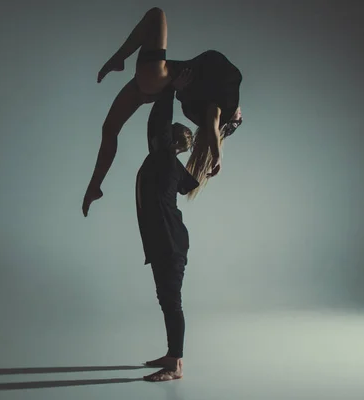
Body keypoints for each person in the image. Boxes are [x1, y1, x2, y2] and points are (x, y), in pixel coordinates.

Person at [82, 7, 243, 217]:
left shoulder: (228, 95)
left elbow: (213, 122)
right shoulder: (205, 104)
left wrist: (216, 154)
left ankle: (118, 58)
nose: (242, 115)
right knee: (110, 129)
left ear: (232, 120)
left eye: (239, 121)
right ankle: (94, 187)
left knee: (156, 15)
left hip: (158, 75)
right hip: (152, 86)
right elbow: (211, 122)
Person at [135, 74, 199, 382]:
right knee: (167, 299)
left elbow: (157, 122)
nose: (154, 138)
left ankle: (175, 365)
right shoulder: (171, 164)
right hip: (169, 241)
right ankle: (172, 354)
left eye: (163, 135)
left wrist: (170, 89)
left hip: (170, 244)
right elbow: (194, 179)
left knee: (171, 301)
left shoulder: (163, 158)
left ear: (169, 140)